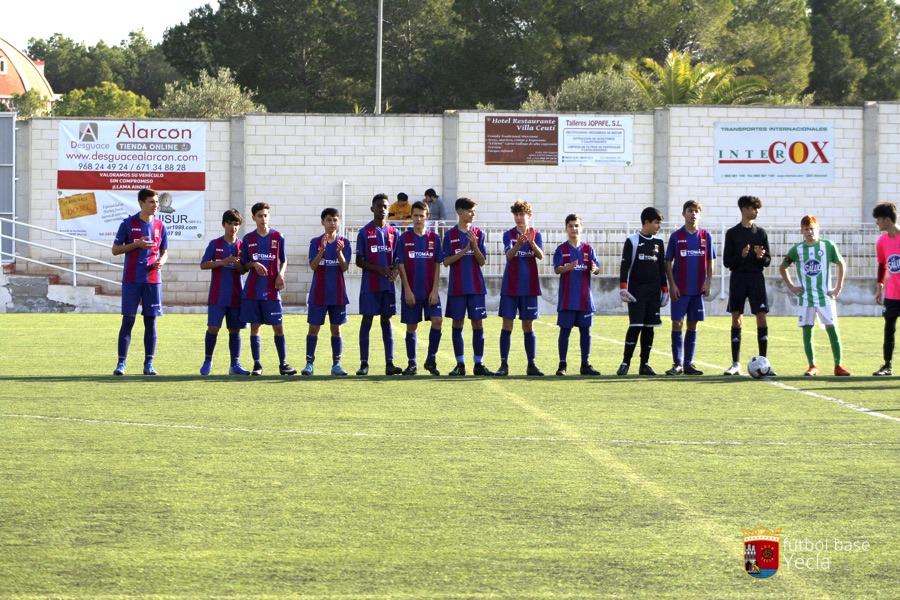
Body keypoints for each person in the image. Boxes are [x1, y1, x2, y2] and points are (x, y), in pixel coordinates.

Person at [779, 215, 850, 376]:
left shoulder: (827, 245)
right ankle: (812, 366)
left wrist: (838, 286)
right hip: (805, 298)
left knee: (832, 329)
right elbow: (783, 267)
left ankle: (838, 365)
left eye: (812, 228)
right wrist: (791, 286)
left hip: (825, 297)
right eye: (806, 229)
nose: (810, 232)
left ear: (817, 229)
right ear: (802, 231)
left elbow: (841, 264)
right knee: (807, 330)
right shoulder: (797, 249)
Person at [111, 188, 168, 376]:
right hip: (132, 279)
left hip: (152, 280)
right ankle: (121, 364)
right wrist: (136, 244)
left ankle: (149, 364)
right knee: (128, 320)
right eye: (152, 202)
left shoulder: (160, 225)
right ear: (141, 203)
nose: (155, 205)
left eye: (157, 202)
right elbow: (115, 250)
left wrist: (161, 261)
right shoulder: (128, 224)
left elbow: (164, 250)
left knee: (150, 322)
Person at [239, 201, 297, 376]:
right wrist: (254, 264)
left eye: (266, 215)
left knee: (278, 327)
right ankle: (257, 365)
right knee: (255, 327)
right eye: (260, 216)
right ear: (253, 218)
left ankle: (283, 364)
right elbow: (244, 264)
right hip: (253, 291)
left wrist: (281, 274)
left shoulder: (278, 237)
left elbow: (284, 260)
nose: (263, 219)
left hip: (272, 290)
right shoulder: (248, 239)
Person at [722, 195, 775, 376]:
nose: (757, 212)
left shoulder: (761, 233)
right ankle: (735, 363)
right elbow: (727, 261)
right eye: (754, 208)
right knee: (737, 317)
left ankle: (764, 362)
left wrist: (761, 257)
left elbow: (768, 260)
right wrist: (742, 256)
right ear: (744, 210)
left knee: (761, 316)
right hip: (738, 278)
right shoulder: (732, 233)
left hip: (756, 279)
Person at [443, 197, 494, 376]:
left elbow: (482, 262)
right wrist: (464, 251)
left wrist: (474, 246)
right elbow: (446, 261)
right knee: (457, 323)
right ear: (460, 213)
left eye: (474, 211)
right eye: (470, 211)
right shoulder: (450, 235)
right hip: (457, 287)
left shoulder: (479, 233)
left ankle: (478, 363)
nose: (473, 214)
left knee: (477, 323)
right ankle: (460, 364)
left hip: (476, 286)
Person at [664, 200, 715, 375]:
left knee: (692, 324)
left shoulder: (705, 236)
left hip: (697, 290)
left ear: (700, 214)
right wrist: (672, 284)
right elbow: (668, 261)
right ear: (683, 214)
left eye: (696, 211)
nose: (693, 214)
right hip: (680, 288)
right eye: (690, 211)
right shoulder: (676, 236)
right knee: (677, 323)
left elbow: (710, 260)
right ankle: (677, 363)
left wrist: (708, 282)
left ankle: (688, 363)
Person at [617, 207, 668, 376]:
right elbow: (624, 266)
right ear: (646, 222)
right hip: (636, 293)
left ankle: (644, 364)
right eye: (656, 223)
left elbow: (661, 268)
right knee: (635, 326)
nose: (658, 226)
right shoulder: (632, 241)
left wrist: (665, 290)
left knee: (649, 328)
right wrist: (623, 288)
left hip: (654, 293)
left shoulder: (659, 243)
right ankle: (625, 363)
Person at [395, 201, 443, 375]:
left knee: (437, 320)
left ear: (427, 217)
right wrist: (406, 289)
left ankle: (431, 359)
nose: (418, 219)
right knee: (411, 326)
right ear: (411, 216)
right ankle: (412, 363)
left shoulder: (434, 238)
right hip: (412, 291)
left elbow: (438, 264)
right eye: (415, 215)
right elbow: (400, 264)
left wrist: (435, 289)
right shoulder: (404, 238)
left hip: (430, 291)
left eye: (422, 216)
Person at [199, 208, 250, 376]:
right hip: (217, 295)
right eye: (229, 224)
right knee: (213, 328)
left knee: (235, 330)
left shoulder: (243, 245)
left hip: (236, 295)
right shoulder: (215, 244)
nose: (233, 227)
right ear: (223, 224)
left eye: (236, 224)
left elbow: (243, 270)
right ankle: (207, 360)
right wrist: (223, 262)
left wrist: (236, 263)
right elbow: (204, 264)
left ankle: (234, 365)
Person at [356, 193, 402, 376]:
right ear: (372, 209)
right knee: (367, 320)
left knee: (386, 321)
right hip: (370, 285)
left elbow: (398, 257)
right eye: (379, 206)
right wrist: (378, 269)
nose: (382, 209)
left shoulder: (394, 232)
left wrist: (396, 269)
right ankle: (364, 364)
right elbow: (359, 260)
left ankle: (389, 364)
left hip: (388, 286)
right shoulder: (364, 232)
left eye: (385, 206)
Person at [302, 208, 351, 376]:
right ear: (322, 222)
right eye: (329, 220)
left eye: (335, 220)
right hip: (318, 293)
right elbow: (313, 266)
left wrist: (338, 253)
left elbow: (344, 268)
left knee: (336, 329)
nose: (332, 223)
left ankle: (336, 364)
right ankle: (309, 363)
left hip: (337, 293)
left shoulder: (344, 242)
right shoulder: (315, 242)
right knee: (313, 328)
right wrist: (322, 249)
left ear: (338, 222)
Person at [498, 200, 544, 376]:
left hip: (529, 286)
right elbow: (509, 256)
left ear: (529, 216)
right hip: (510, 286)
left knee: (528, 325)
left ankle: (531, 364)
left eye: (521, 214)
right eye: (516, 215)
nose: (518, 218)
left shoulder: (536, 234)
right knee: (507, 323)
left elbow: (540, 256)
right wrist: (518, 243)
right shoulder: (508, 235)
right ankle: (504, 365)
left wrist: (531, 243)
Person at [553, 214, 601, 376]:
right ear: (566, 228)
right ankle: (562, 365)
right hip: (567, 298)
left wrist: (595, 269)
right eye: (571, 226)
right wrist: (568, 267)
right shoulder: (561, 249)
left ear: (581, 228)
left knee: (585, 332)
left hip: (584, 299)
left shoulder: (588, 249)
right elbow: (557, 269)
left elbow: (597, 268)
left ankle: (585, 364)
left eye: (577, 225)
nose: (574, 229)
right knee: (564, 331)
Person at [872, 202, 900, 376]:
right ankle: (887, 365)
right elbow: (882, 264)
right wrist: (880, 286)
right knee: (889, 328)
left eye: (878, 220)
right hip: (892, 293)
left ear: (887, 220)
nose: (877, 223)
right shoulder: (882, 241)